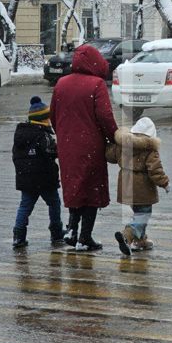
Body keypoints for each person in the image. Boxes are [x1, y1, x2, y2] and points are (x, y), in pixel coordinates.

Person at [50, 44, 118, 251]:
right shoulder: (96, 84)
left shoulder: (61, 83)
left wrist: (63, 134)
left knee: (74, 187)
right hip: (91, 145)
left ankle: (71, 229)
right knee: (91, 191)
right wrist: (113, 136)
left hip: (67, 145)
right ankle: (85, 237)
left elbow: (53, 114)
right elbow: (105, 117)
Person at [107, 117, 170, 256]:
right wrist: (164, 183)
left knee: (139, 213)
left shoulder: (123, 145)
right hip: (142, 189)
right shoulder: (149, 150)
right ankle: (127, 235)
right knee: (143, 215)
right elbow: (155, 170)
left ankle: (140, 241)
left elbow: (109, 156)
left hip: (125, 186)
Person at [11, 96, 65, 248]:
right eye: (48, 118)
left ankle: (18, 235)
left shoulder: (20, 135)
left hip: (26, 179)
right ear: (43, 120)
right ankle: (56, 233)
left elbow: (17, 156)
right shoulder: (43, 135)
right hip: (44, 179)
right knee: (54, 203)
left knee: (25, 206)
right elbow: (51, 151)